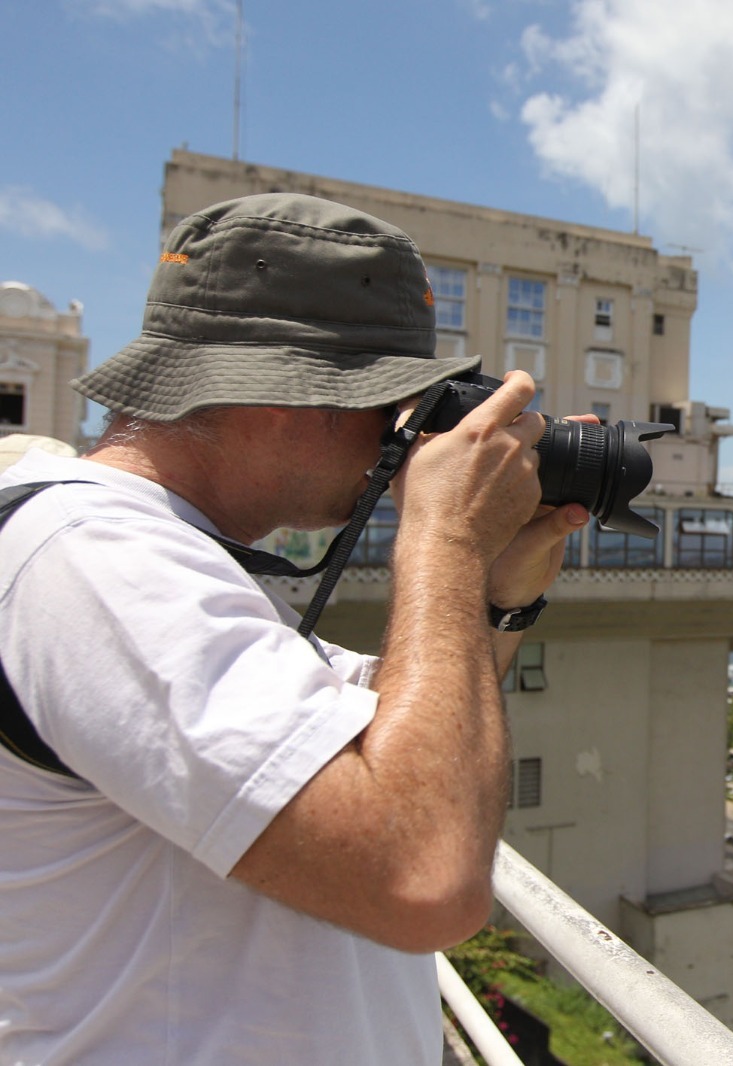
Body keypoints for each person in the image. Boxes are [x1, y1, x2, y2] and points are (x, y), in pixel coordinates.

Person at [0, 193, 590, 1063]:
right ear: (283, 393)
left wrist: (491, 598)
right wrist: (446, 544)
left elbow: (393, 741)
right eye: (386, 404)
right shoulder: (99, 560)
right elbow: (423, 879)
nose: (399, 440)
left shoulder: (162, 558)